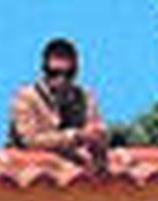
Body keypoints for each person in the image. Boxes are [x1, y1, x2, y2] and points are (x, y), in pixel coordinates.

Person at [7, 38, 108, 172]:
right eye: (54, 73)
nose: (61, 79)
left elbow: (98, 130)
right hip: (28, 171)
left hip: (74, 170)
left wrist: (96, 137)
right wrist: (74, 136)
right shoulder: (25, 97)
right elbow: (29, 140)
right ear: (44, 70)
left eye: (68, 74)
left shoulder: (84, 97)